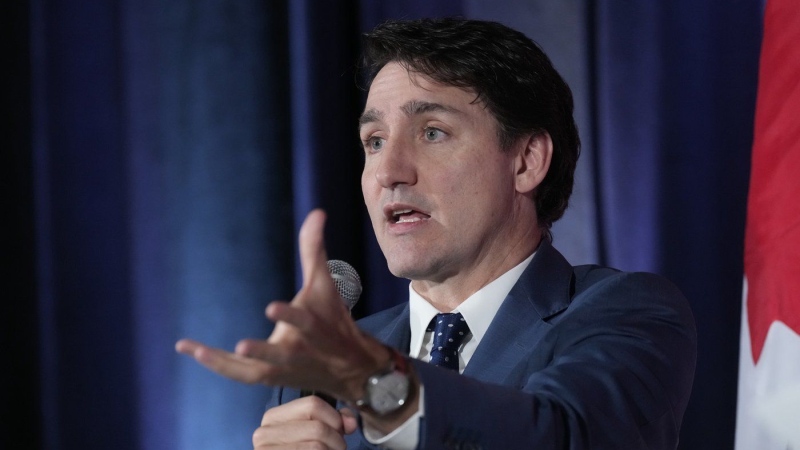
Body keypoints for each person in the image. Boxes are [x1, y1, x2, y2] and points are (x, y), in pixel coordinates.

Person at [176, 18, 697, 449]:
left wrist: (380, 387)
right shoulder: (324, 369)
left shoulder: (628, 312)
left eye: (432, 133)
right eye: (374, 141)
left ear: (526, 160)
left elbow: (565, 434)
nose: (389, 171)